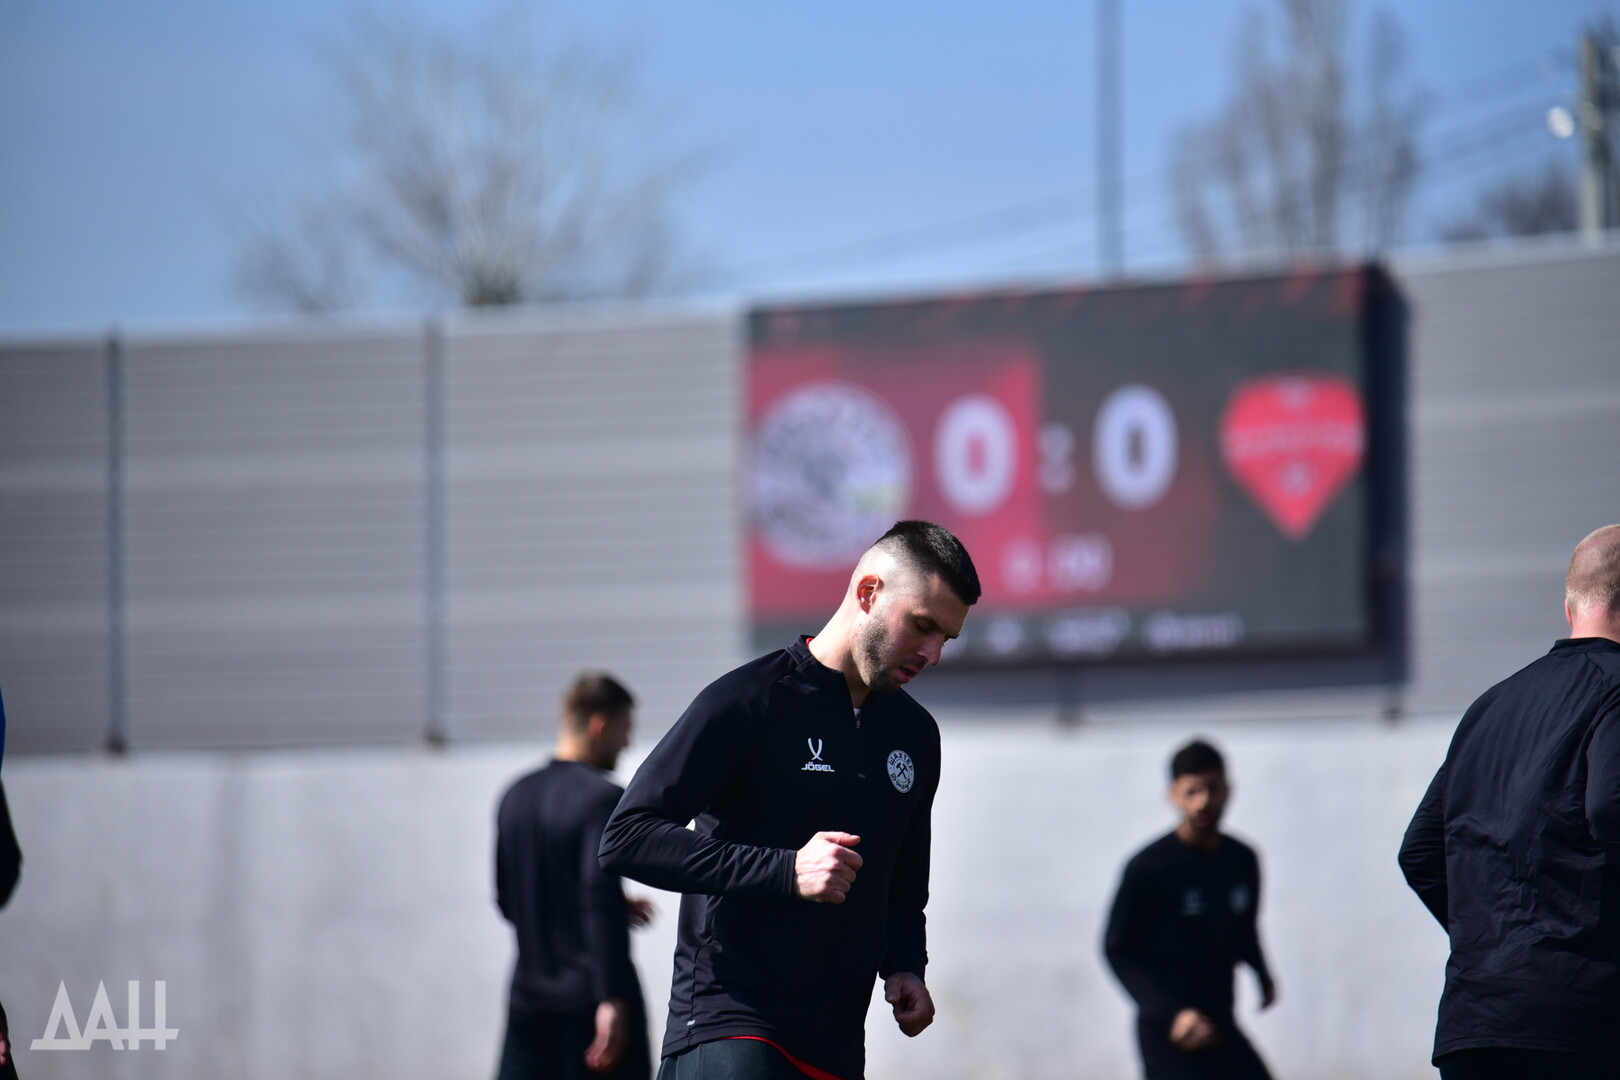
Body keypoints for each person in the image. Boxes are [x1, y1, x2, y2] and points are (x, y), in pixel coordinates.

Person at [599, 520, 980, 1080]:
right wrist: (786, 870)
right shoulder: (749, 701)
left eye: (945, 638)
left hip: (837, 1045)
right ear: (868, 593)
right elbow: (627, 836)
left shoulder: (916, 735)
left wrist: (904, 964)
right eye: (922, 625)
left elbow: (902, 883)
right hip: (733, 1027)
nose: (933, 654)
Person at [1398, 523, 1620, 1080]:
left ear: (1569, 608)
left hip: (1475, 1026)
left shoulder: (1490, 705)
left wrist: (1497, 949)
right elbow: (1610, 807)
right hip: (1582, 1024)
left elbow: (1420, 852)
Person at [494, 671, 654, 1080]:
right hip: (589, 1005)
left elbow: (509, 902)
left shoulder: (515, 795)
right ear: (599, 726)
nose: (627, 743)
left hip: (528, 1002)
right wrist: (611, 997)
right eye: (625, 729)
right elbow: (596, 894)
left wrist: (608, 905)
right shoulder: (602, 798)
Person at [1103, 738, 1278, 1080]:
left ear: (1227, 791)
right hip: (1170, 1034)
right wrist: (1171, 1014)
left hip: (1221, 1023)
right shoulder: (1148, 868)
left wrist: (1262, 973)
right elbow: (1117, 949)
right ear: (1173, 796)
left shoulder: (1242, 860)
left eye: (1212, 789)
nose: (1203, 801)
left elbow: (1244, 927)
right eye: (1192, 791)